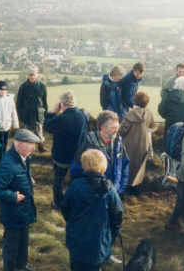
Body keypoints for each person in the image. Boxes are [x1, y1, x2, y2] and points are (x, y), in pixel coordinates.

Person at [69, 110, 128, 265]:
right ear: (102, 127)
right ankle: (93, 256)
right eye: (113, 127)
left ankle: (106, 254)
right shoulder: (88, 145)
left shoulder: (119, 142)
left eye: (117, 126)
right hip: (93, 197)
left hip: (113, 192)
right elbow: (75, 170)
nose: (117, 130)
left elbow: (125, 164)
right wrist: (89, 189)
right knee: (95, 227)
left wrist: (121, 187)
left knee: (110, 225)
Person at [0, 129, 42, 271]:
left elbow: (18, 176)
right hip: (13, 214)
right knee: (11, 246)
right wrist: (13, 196)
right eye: (31, 144)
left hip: (23, 211)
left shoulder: (22, 157)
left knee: (23, 242)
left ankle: (21, 266)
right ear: (20, 143)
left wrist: (29, 180)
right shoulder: (9, 164)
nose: (34, 148)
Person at [61, 149, 124, 271]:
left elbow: (65, 206)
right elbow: (117, 213)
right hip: (99, 240)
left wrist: (72, 223)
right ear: (104, 166)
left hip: (77, 237)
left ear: (84, 165)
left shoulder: (75, 185)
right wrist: (113, 233)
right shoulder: (110, 189)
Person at [43, 90, 87, 210]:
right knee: (76, 180)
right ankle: (75, 201)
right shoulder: (82, 115)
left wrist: (53, 112)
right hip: (77, 156)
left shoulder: (61, 119)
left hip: (61, 157)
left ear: (62, 104)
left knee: (58, 180)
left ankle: (58, 203)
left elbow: (46, 125)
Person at [118, 92, 156, 196]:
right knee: (139, 166)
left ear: (135, 102)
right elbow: (152, 125)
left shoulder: (130, 114)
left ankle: (124, 188)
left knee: (127, 166)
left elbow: (122, 132)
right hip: (143, 144)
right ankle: (135, 188)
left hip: (129, 145)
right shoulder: (149, 113)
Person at [16, 66, 49, 153]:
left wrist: (45, 114)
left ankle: (40, 147)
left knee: (39, 132)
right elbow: (19, 102)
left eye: (34, 75)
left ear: (37, 75)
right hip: (26, 115)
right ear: (28, 76)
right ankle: (25, 148)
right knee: (26, 133)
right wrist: (20, 115)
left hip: (38, 114)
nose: (32, 77)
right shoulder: (23, 86)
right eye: (30, 75)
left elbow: (44, 101)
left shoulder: (42, 86)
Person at [0, 80, 19, 165]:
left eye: (5, 90)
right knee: (0, 143)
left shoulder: (9, 99)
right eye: (1, 90)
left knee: (5, 143)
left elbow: (13, 112)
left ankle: (2, 158)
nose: (3, 91)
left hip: (7, 125)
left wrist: (15, 125)